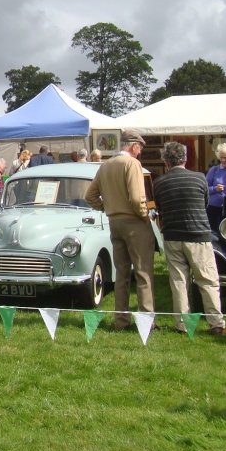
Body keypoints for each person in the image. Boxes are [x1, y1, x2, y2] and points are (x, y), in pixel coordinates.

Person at [152, 141, 226, 336]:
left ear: (166, 161)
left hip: (172, 235)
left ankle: (183, 325)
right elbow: (204, 204)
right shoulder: (199, 179)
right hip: (198, 234)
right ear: (185, 159)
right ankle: (216, 324)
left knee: (179, 281)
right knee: (207, 280)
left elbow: (160, 209)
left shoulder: (159, 183)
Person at [85, 129, 156, 331]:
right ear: (134, 146)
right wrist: (145, 216)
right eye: (139, 148)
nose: (140, 152)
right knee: (144, 273)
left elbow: (89, 196)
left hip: (114, 223)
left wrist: (108, 208)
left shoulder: (106, 165)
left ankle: (121, 321)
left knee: (121, 274)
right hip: (134, 223)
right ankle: (146, 323)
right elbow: (136, 198)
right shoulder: (132, 163)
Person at [205, 143, 226, 231]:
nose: (223, 160)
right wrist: (215, 189)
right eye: (221, 157)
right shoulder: (214, 170)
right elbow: (204, 188)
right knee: (213, 232)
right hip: (214, 207)